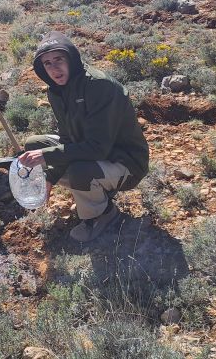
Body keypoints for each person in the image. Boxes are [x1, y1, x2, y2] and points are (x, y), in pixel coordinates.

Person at [18, 32, 149, 243]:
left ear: (71, 58)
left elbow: (98, 149)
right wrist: (50, 177)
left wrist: (46, 157)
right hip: (94, 150)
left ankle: (102, 215)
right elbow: (68, 138)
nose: (54, 68)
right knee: (34, 145)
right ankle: (94, 193)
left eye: (59, 59)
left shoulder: (99, 86)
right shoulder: (57, 91)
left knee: (79, 169)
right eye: (47, 63)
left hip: (126, 162)